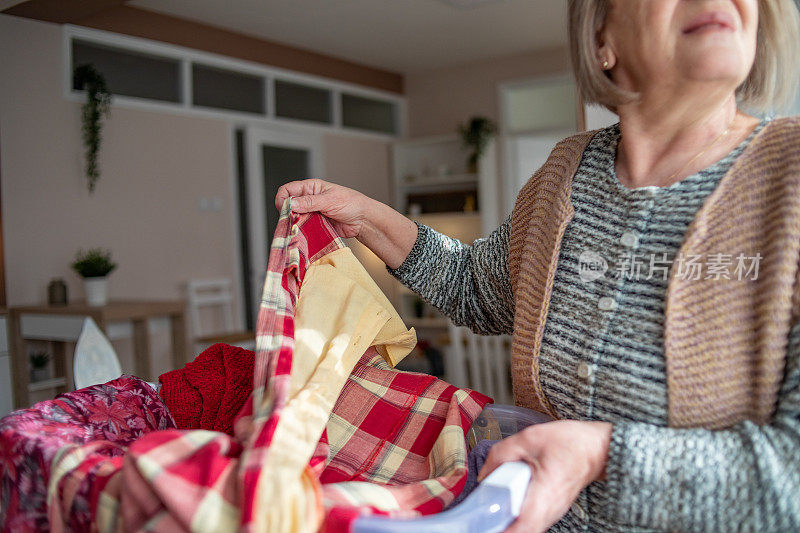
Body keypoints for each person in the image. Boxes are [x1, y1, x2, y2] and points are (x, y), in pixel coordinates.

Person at [275, 0, 800, 530]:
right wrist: (366, 218)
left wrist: (601, 455)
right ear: (602, 40)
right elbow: (476, 287)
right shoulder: (562, 176)